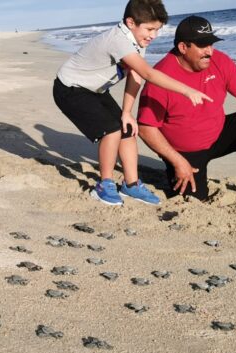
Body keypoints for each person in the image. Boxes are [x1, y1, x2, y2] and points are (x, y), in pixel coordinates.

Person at [53, 0, 212, 206]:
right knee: (111, 131)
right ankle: (105, 184)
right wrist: (186, 90)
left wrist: (127, 112)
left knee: (127, 129)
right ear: (130, 22)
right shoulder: (118, 39)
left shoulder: (138, 41)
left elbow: (135, 76)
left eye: (157, 30)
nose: (153, 35)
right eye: (149, 29)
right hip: (69, 89)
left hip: (96, 90)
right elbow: (147, 73)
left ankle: (131, 184)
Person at [137, 15, 236, 206]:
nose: (209, 51)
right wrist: (178, 161)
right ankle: (177, 170)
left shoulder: (219, 61)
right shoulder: (161, 77)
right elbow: (146, 127)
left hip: (218, 134)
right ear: (183, 47)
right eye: (202, 45)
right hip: (184, 152)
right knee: (195, 201)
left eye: (211, 44)